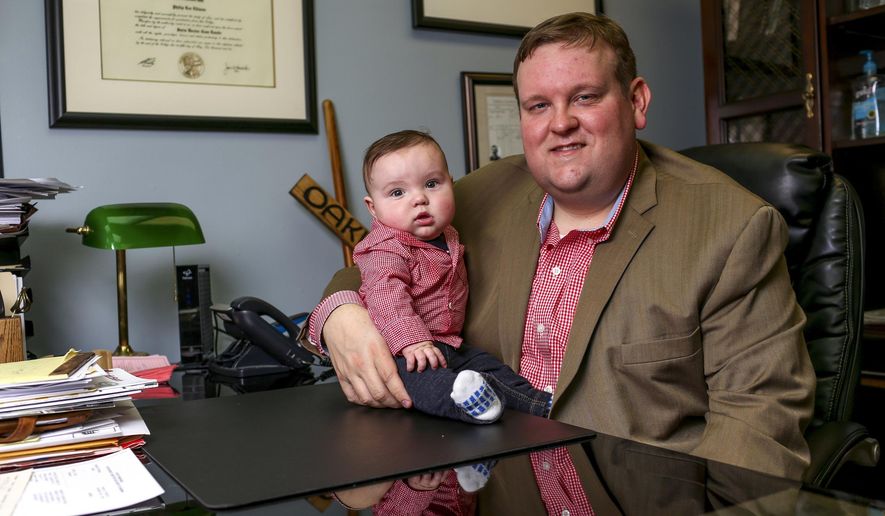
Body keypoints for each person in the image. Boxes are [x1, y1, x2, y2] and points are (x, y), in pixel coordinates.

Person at [309, 11, 815, 515]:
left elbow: (757, 431)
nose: (560, 124)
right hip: (489, 488)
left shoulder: (731, 227)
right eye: (537, 105)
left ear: (636, 102)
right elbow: (382, 253)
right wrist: (339, 312)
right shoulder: (481, 195)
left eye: (585, 97)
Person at [350, 129, 553, 493]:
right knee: (426, 384)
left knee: (491, 366)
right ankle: (467, 406)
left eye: (431, 184)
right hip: (400, 351)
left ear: (450, 184)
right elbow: (386, 297)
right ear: (372, 207)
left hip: (450, 344)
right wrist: (411, 342)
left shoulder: (449, 235)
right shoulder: (384, 249)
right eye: (397, 192)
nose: (420, 201)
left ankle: (538, 403)